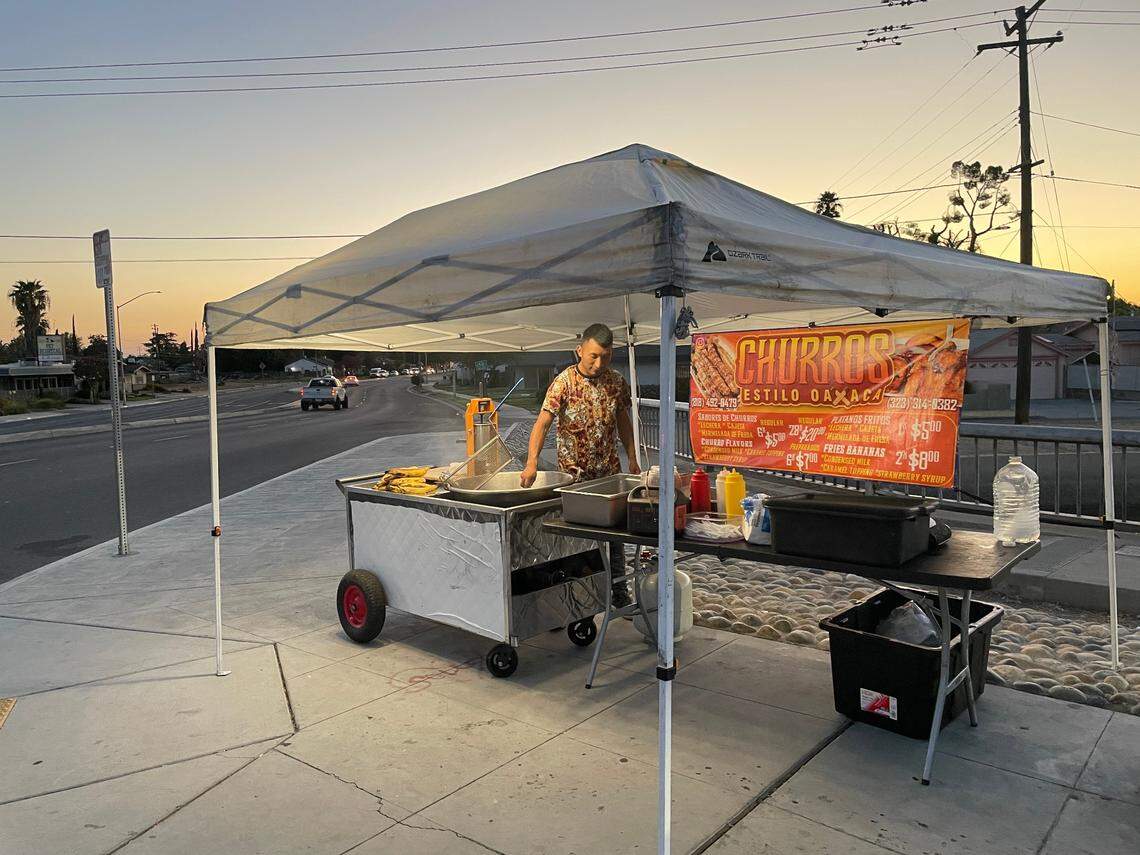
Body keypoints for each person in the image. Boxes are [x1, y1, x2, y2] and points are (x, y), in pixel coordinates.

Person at [521, 323, 641, 605]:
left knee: (615, 537)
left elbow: (623, 421)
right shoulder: (563, 383)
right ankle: (582, 596)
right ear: (580, 351)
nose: (599, 364)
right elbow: (542, 423)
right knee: (579, 542)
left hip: (609, 475)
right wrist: (531, 462)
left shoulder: (616, 382)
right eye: (593, 356)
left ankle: (619, 592)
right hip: (575, 480)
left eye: (606, 357)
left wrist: (633, 457)